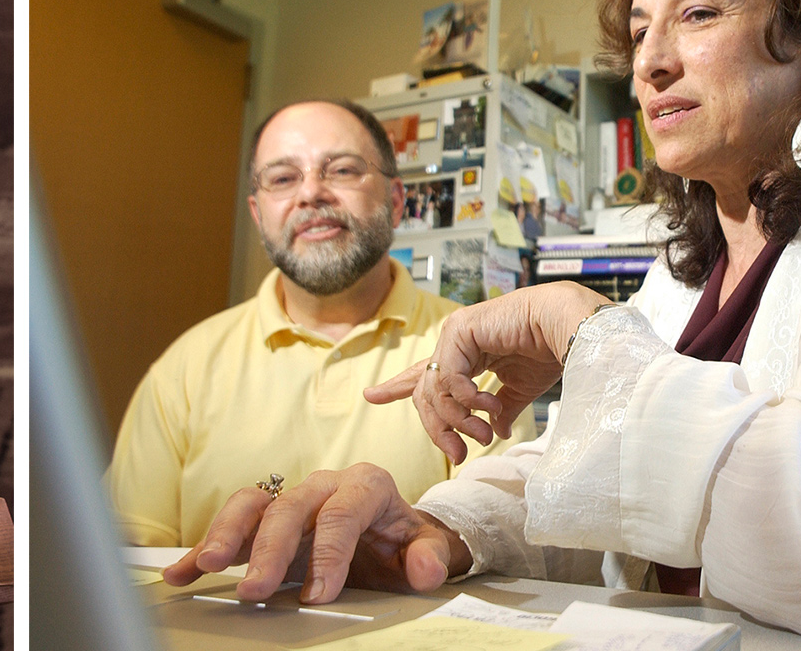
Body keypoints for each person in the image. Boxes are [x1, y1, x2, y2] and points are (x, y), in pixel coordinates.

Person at [164, 0, 801, 640]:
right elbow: (592, 475)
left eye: (697, 14)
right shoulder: (686, 269)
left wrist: (579, 327)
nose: (651, 61)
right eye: (639, 32)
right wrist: (437, 526)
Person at [105, 99, 531, 547]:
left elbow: (504, 542)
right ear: (258, 214)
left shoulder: (474, 352)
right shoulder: (184, 369)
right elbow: (128, 561)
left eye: (343, 170)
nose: (311, 193)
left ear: (397, 200)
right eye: (284, 178)